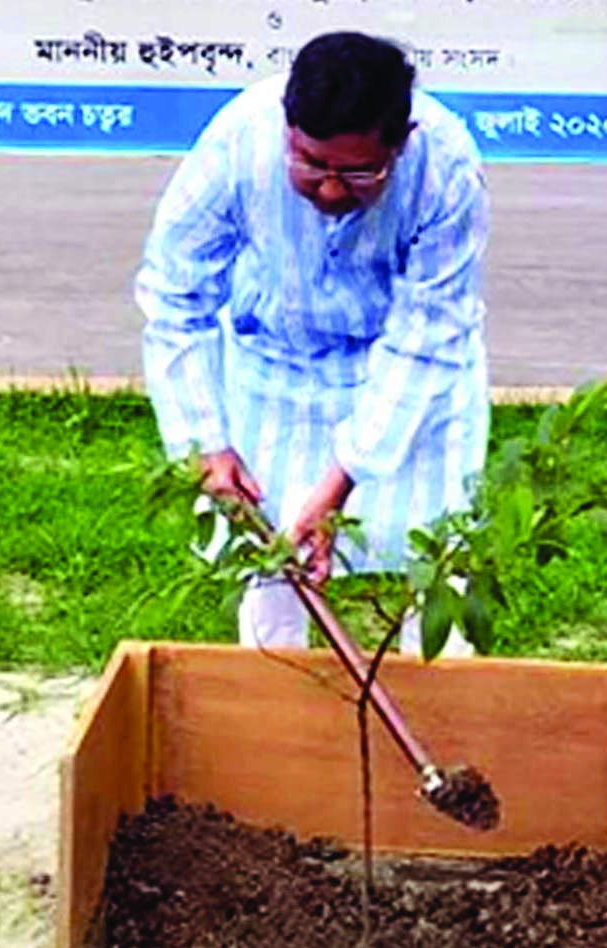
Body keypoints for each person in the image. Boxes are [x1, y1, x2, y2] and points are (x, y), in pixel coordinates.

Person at [136, 30, 489, 652]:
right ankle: (277, 716)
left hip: (407, 372)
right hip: (276, 364)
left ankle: (438, 719)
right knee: (272, 562)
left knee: (436, 566)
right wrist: (204, 441)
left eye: (358, 172)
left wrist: (343, 479)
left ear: (400, 145)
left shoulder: (447, 168)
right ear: (286, 129)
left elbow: (427, 333)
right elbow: (174, 294)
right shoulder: (236, 143)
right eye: (311, 165)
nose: (330, 189)